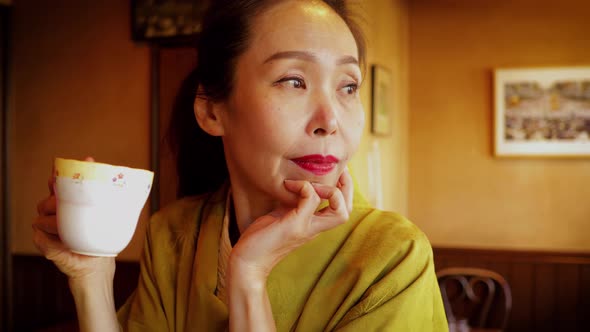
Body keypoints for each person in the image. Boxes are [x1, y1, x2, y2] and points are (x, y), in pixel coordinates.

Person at [33, 0, 448, 331]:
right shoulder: (173, 233)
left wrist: (247, 278)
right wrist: (91, 278)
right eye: (294, 80)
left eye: (348, 86)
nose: (331, 120)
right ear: (213, 111)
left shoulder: (392, 257)